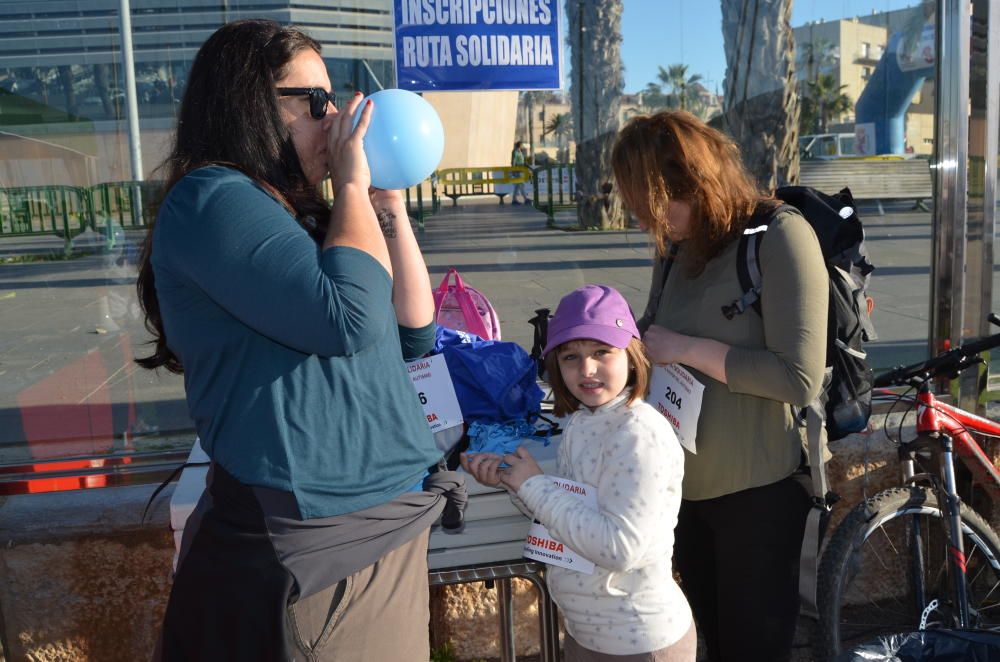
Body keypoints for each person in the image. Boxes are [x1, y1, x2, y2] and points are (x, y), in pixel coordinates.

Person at [136, 20, 464, 661]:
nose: (336, 114)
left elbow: (413, 334)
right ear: (251, 104)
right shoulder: (213, 200)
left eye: (333, 96)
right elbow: (349, 322)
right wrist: (347, 186)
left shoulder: (301, 214)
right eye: (314, 100)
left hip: (372, 530)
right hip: (317, 550)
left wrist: (384, 204)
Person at [611, 110, 828, 662]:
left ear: (693, 184)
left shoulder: (779, 236)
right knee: (714, 638)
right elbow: (651, 332)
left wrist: (686, 350)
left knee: (752, 648)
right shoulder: (677, 245)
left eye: (651, 205)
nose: (645, 223)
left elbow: (797, 378)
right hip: (683, 489)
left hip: (758, 495)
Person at [462, 284, 696, 662]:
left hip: (638, 641)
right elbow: (569, 514)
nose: (586, 369)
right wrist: (514, 480)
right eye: (571, 357)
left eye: (602, 352)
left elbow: (619, 549)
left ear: (633, 357)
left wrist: (533, 485)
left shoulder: (638, 433)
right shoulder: (582, 420)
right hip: (588, 631)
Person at [510, 140, 531, 205]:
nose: (523, 146)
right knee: (520, 185)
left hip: (520, 170)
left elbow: (522, 161)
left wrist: (526, 165)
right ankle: (525, 199)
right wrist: (513, 170)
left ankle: (514, 200)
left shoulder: (519, 152)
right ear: (520, 145)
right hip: (517, 170)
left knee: (518, 185)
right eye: (522, 145)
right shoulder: (515, 151)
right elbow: (514, 161)